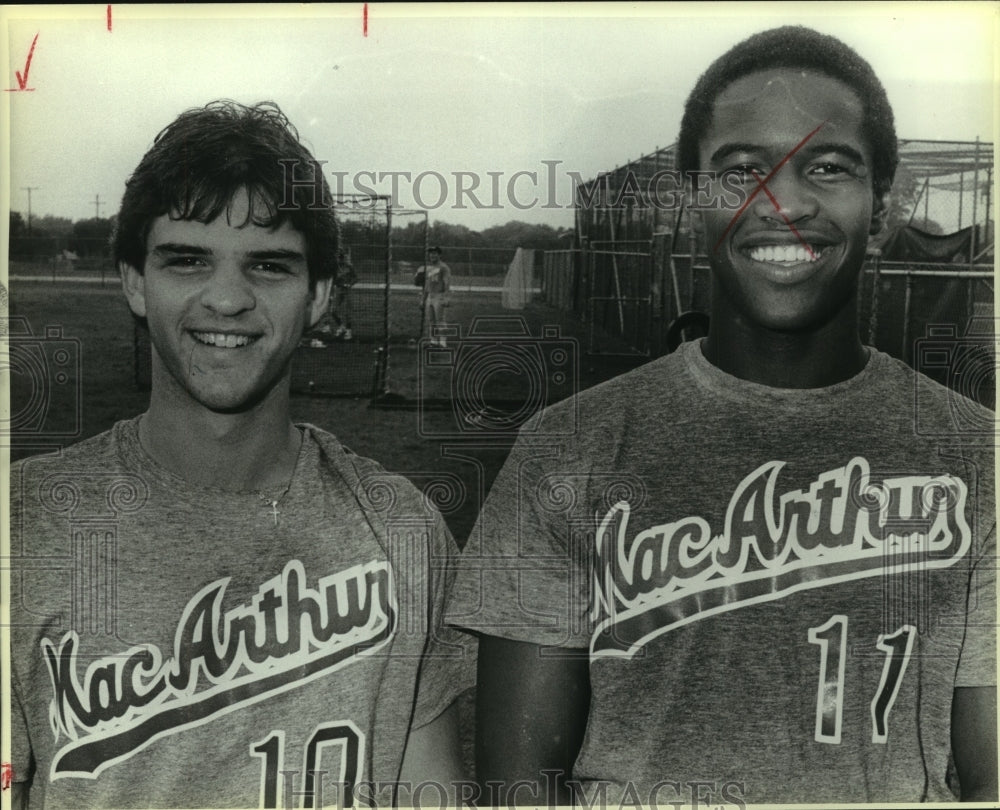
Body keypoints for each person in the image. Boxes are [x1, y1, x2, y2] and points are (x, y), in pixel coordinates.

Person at [446, 26, 996, 806]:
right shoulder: (568, 449)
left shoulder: (980, 457)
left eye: (829, 167)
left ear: (882, 211)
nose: (785, 203)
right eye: (743, 170)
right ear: (690, 201)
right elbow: (517, 789)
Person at [8, 101, 472, 809]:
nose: (227, 298)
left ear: (318, 295)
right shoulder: (23, 527)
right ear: (135, 281)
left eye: (269, 266)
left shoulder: (401, 532)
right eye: (187, 260)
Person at [416, 246, 451, 347]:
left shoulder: (444, 267)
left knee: (440, 320)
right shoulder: (429, 268)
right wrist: (423, 299)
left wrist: (446, 297)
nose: (432, 255)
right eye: (431, 253)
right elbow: (427, 285)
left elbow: (447, 282)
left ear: (439, 255)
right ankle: (434, 341)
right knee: (431, 320)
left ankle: (443, 342)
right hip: (430, 297)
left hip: (439, 296)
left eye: (435, 253)